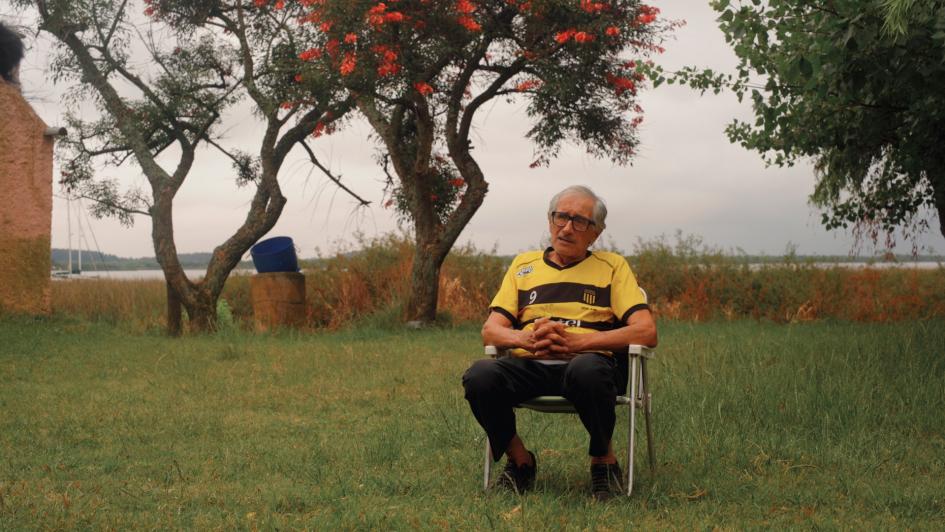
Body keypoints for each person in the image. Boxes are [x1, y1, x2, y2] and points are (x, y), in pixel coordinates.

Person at [463, 185, 657, 501]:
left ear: (596, 232)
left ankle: (603, 462)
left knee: (588, 370)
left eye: (579, 221)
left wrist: (577, 343)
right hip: (530, 363)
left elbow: (646, 331)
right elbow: (491, 331)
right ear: (550, 219)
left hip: (589, 365)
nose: (566, 228)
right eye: (560, 217)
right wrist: (524, 337)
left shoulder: (613, 266)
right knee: (480, 376)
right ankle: (520, 461)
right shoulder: (523, 266)